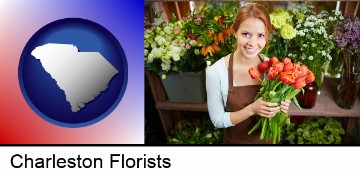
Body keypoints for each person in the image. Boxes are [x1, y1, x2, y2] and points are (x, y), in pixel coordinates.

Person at [206, 3, 291, 144]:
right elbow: (217, 120)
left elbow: (277, 113)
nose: (252, 43)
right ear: (235, 32)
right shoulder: (216, 72)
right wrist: (252, 109)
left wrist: (281, 106)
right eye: (246, 34)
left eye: (260, 35)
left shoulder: (273, 66)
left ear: (267, 36)